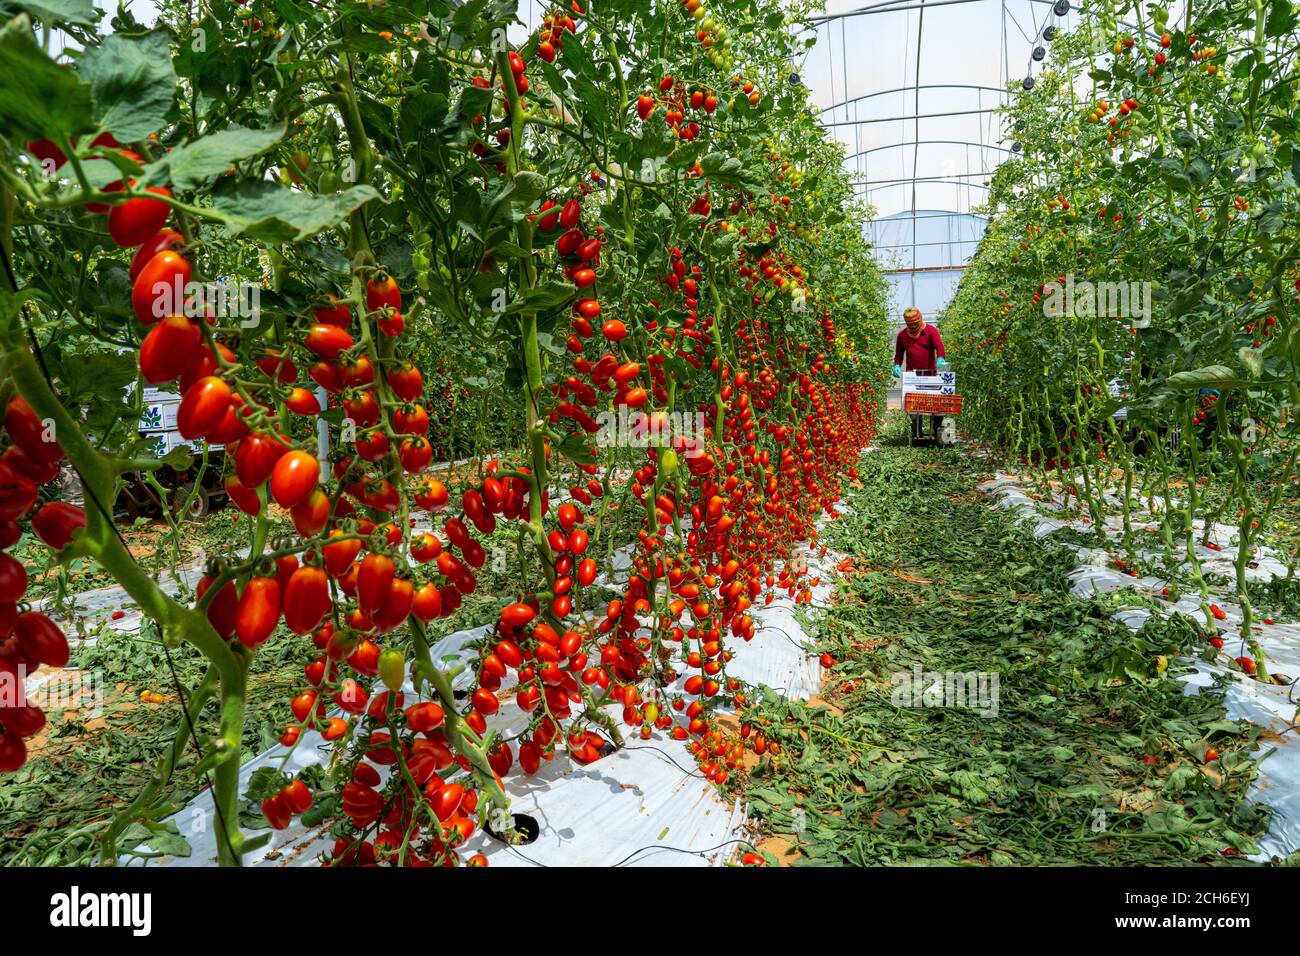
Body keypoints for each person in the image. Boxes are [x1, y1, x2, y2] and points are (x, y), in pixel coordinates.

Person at [892, 308, 948, 440]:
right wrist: (897, 365)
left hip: (931, 376)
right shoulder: (902, 336)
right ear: (906, 323)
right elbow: (899, 354)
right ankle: (916, 431)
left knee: (934, 404)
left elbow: (939, 346)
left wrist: (940, 357)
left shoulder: (930, 331)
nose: (913, 326)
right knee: (914, 406)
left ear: (920, 319)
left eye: (915, 323)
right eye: (910, 324)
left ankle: (935, 430)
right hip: (912, 376)